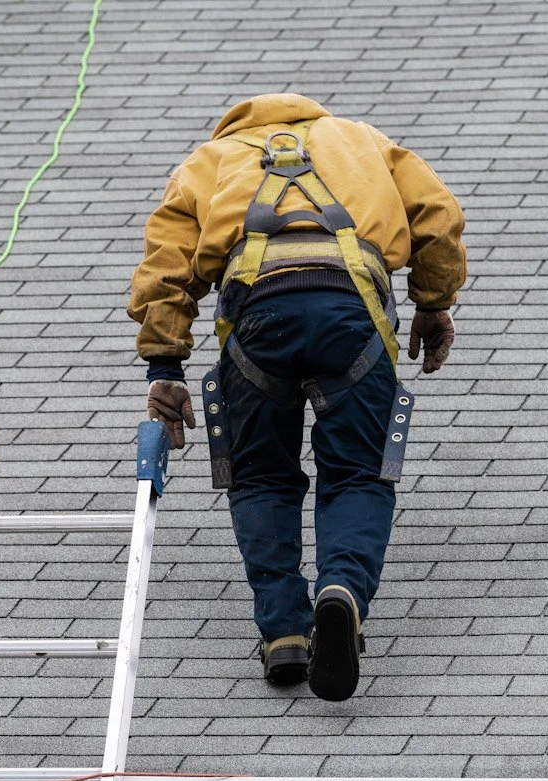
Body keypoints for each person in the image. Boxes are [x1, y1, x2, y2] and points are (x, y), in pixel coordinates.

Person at [127, 94, 466, 701]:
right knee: (358, 473)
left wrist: (165, 365)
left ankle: (284, 630)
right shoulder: (362, 141)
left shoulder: (211, 158)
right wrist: (434, 303)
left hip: (259, 319)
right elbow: (437, 215)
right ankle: (342, 592)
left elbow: (166, 265)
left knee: (261, 477)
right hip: (351, 313)